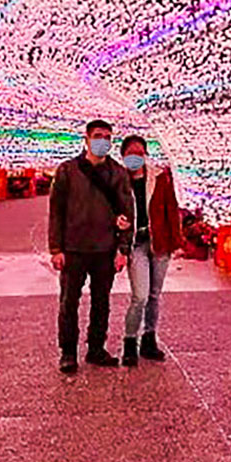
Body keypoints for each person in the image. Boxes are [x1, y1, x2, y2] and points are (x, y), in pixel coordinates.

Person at [48, 119, 135, 373]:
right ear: (86, 139)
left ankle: (96, 348)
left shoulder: (117, 173)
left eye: (107, 137)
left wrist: (123, 249)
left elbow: (127, 213)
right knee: (68, 303)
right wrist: (56, 248)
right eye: (98, 136)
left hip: (105, 250)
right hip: (73, 249)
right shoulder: (67, 171)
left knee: (101, 302)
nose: (103, 141)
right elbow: (56, 212)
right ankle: (68, 352)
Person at [119, 135, 183, 366]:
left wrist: (177, 241)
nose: (135, 157)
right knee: (140, 296)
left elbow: (171, 208)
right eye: (130, 153)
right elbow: (110, 209)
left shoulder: (159, 177)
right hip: (135, 244)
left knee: (155, 295)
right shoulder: (118, 181)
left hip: (159, 243)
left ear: (145, 154)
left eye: (139, 152)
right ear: (123, 156)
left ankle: (149, 339)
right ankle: (129, 342)